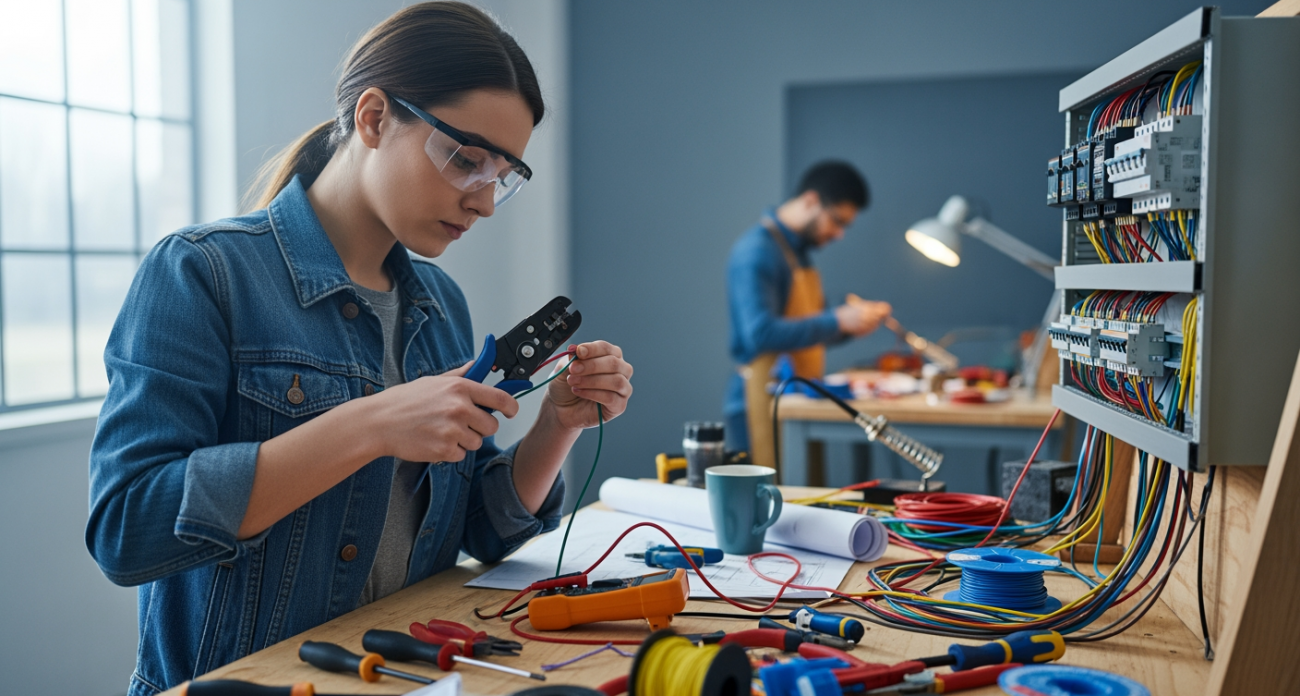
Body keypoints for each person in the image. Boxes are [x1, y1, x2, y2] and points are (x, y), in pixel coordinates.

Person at [85, 4, 634, 694]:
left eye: (502, 175)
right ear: (374, 118)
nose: (485, 202)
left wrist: (557, 424)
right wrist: (371, 426)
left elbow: (479, 533)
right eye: (466, 160)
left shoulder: (438, 305)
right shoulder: (203, 273)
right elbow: (127, 529)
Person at [724, 161, 890, 468]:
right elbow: (760, 334)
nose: (839, 234)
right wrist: (838, 320)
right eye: (837, 221)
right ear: (811, 201)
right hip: (759, 404)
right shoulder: (757, 252)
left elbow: (805, 328)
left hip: (796, 401)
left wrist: (850, 325)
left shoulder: (798, 254)